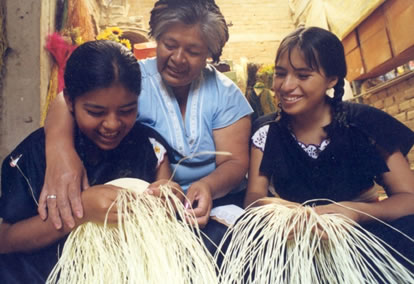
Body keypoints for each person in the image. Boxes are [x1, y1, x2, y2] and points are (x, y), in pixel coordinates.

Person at [39, 0, 252, 252]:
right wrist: (60, 151)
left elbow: (235, 162)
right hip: (146, 206)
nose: (178, 59)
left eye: (193, 51)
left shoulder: (225, 94)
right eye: (169, 45)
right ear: (157, 38)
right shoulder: (132, 77)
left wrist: (207, 186)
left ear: (210, 52)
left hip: (214, 204)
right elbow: (67, 100)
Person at [0, 40, 179, 283]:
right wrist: (82, 210)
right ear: (70, 102)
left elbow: (164, 188)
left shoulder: (148, 146)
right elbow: (6, 239)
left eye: (127, 110)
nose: (112, 124)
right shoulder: (37, 154)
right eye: (95, 112)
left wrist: (168, 197)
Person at [246, 26, 414, 271]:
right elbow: (253, 197)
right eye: (281, 74)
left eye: (303, 76)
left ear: (332, 79)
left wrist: (355, 213)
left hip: (363, 232)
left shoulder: (365, 124)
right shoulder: (266, 131)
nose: (286, 86)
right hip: (297, 239)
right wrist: (272, 207)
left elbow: (409, 198)